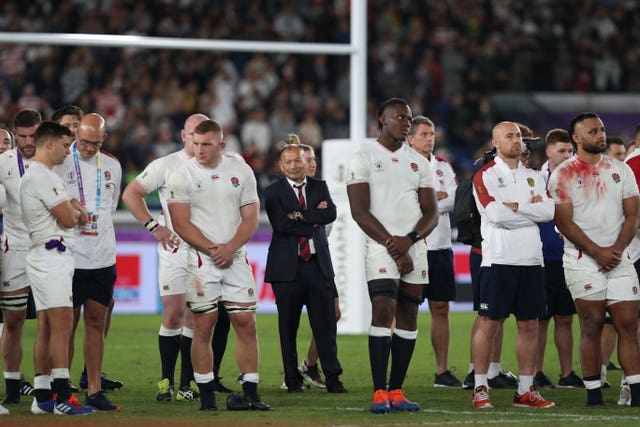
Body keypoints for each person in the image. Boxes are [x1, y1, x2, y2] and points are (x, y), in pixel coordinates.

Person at [122, 113, 232, 402]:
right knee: (172, 312)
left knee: (196, 318)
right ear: (184, 136)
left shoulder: (223, 164)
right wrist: (153, 227)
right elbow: (131, 194)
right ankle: (165, 381)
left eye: (203, 134)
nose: (197, 140)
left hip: (205, 251)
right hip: (175, 248)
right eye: (192, 133)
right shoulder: (165, 165)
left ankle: (186, 385)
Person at [167, 119, 271, 411]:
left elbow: (251, 217)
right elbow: (180, 222)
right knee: (204, 325)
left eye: (206, 144)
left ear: (221, 145)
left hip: (235, 258)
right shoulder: (181, 175)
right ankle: (208, 398)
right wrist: (213, 249)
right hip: (202, 260)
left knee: (246, 323)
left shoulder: (240, 170)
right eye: (196, 144)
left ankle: (251, 393)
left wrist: (230, 248)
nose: (199, 150)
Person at [346, 98, 438, 413]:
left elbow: (432, 214)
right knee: (383, 311)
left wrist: (410, 240)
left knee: (409, 317)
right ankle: (378, 392)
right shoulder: (363, 158)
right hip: (380, 247)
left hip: (414, 247)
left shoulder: (420, 163)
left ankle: (396, 390)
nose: (405, 122)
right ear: (381, 119)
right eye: (399, 117)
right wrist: (393, 245)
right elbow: (359, 211)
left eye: (408, 118)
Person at [549, 112, 640, 406]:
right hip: (582, 259)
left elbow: (633, 215)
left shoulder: (621, 169)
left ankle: (636, 391)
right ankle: (593, 392)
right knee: (592, 323)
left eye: (601, 130)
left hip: (619, 256)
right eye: (593, 131)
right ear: (577, 138)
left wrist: (615, 250)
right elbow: (564, 222)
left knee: (628, 323)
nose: (600, 135)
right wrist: (597, 251)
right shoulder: (563, 174)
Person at [471, 121, 555, 409]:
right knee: (489, 324)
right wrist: (530, 211)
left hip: (531, 259)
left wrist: (518, 208)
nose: (517, 140)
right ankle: (480, 387)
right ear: (496, 142)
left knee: (530, 325)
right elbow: (495, 214)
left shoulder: (534, 176)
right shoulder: (486, 175)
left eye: (519, 136)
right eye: (510, 136)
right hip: (499, 259)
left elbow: (549, 211)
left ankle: (525, 390)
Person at [20, 121, 94, 415]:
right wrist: (75, 207)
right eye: (65, 145)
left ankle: (41, 397)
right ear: (49, 144)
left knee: (47, 327)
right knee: (62, 327)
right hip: (53, 254)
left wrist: (74, 209)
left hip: (42, 254)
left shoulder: (41, 175)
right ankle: (63, 397)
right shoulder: (43, 177)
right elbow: (71, 218)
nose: (69, 151)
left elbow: (76, 214)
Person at [265, 135, 347, 394]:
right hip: (286, 269)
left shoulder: (319, 186)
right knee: (287, 328)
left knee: (326, 326)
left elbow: (330, 213)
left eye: (297, 161)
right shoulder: (272, 191)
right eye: (287, 162)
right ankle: (292, 380)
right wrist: (312, 218)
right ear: (281, 165)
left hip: (317, 265)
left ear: (306, 161)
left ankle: (333, 378)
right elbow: (281, 224)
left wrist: (298, 215)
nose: (293, 166)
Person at [53, 113, 121, 411]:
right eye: (84, 141)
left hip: (103, 256)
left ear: (103, 139)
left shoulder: (113, 166)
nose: (89, 148)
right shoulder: (61, 162)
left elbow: (111, 205)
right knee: (66, 324)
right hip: (70, 255)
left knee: (96, 321)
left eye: (95, 143)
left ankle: (94, 389)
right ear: (76, 135)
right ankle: (63, 387)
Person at [406, 115, 461, 387]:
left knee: (441, 308)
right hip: (411, 247)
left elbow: (455, 199)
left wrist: (425, 200)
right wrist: (435, 198)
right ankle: (397, 373)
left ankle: (441, 372)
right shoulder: (401, 165)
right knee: (404, 310)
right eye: (424, 134)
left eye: (432, 134)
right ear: (410, 138)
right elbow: (403, 202)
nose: (430, 139)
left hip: (439, 247)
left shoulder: (442, 165)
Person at [533, 129, 583, 389]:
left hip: (570, 256)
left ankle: (567, 373)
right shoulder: (535, 180)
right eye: (561, 151)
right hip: (543, 259)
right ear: (548, 151)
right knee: (540, 319)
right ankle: (537, 372)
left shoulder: (578, 179)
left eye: (570, 151)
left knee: (565, 317)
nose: (567, 155)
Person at [0, 110, 41, 406]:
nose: (28, 141)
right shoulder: (3, 163)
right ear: (15, 134)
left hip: (49, 249)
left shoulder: (54, 160)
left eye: (33, 135)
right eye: (23, 136)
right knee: (12, 321)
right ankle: (13, 387)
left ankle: (48, 387)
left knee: (55, 321)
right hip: (14, 249)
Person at [295, 142, 342, 389]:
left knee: (333, 313)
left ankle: (309, 365)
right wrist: (314, 217)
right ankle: (292, 374)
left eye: (314, 159)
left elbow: (328, 224)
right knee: (290, 319)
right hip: (295, 262)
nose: (314, 163)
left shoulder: (320, 189)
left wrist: (307, 218)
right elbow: (292, 225)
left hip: (320, 258)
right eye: (309, 159)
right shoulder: (286, 190)